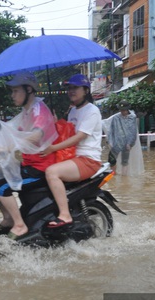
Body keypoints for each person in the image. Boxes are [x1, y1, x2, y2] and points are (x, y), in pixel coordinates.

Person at [0, 72, 58, 240]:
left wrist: (10, 146)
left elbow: (36, 135)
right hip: (27, 163)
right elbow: (12, 131)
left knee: (2, 187)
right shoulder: (26, 111)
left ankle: (19, 224)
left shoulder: (39, 110)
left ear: (29, 90)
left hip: (39, 167)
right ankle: (9, 217)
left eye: (16, 91)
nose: (12, 95)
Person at [40, 74, 103, 228]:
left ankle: (65, 215)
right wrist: (55, 124)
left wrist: (53, 148)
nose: (71, 91)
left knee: (52, 172)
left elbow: (79, 137)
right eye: (69, 88)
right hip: (73, 157)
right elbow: (67, 134)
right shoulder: (73, 110)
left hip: (88, 159)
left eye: (75, 87)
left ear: (86, 90)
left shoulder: (92, 111)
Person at [103, 100, 143, 176]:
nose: (122, 112)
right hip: (116, 142)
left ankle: (124, 177)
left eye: (124, 110)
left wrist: (130, 144)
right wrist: (110, 142)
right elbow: (111, 130)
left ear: (127, 109)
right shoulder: (116, 118)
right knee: (111, 160)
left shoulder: (132, 117)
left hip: (126, 143)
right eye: (121, 110)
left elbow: (133, 132)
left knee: (124, 161)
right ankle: (113, 175)